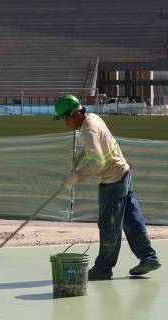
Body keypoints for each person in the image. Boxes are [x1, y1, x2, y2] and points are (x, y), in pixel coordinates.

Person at [54, 94, 161, 280]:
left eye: (65, 118)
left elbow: (98, 163)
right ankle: (148, 257)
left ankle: (103, 267)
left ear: (76, 115)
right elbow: (99, 149)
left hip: (112, 180)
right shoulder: (93, 118)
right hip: (124, 171)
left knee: (109, 224)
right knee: (132, 220)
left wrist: (77, 176)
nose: (65, 123)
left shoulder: (88, 131)